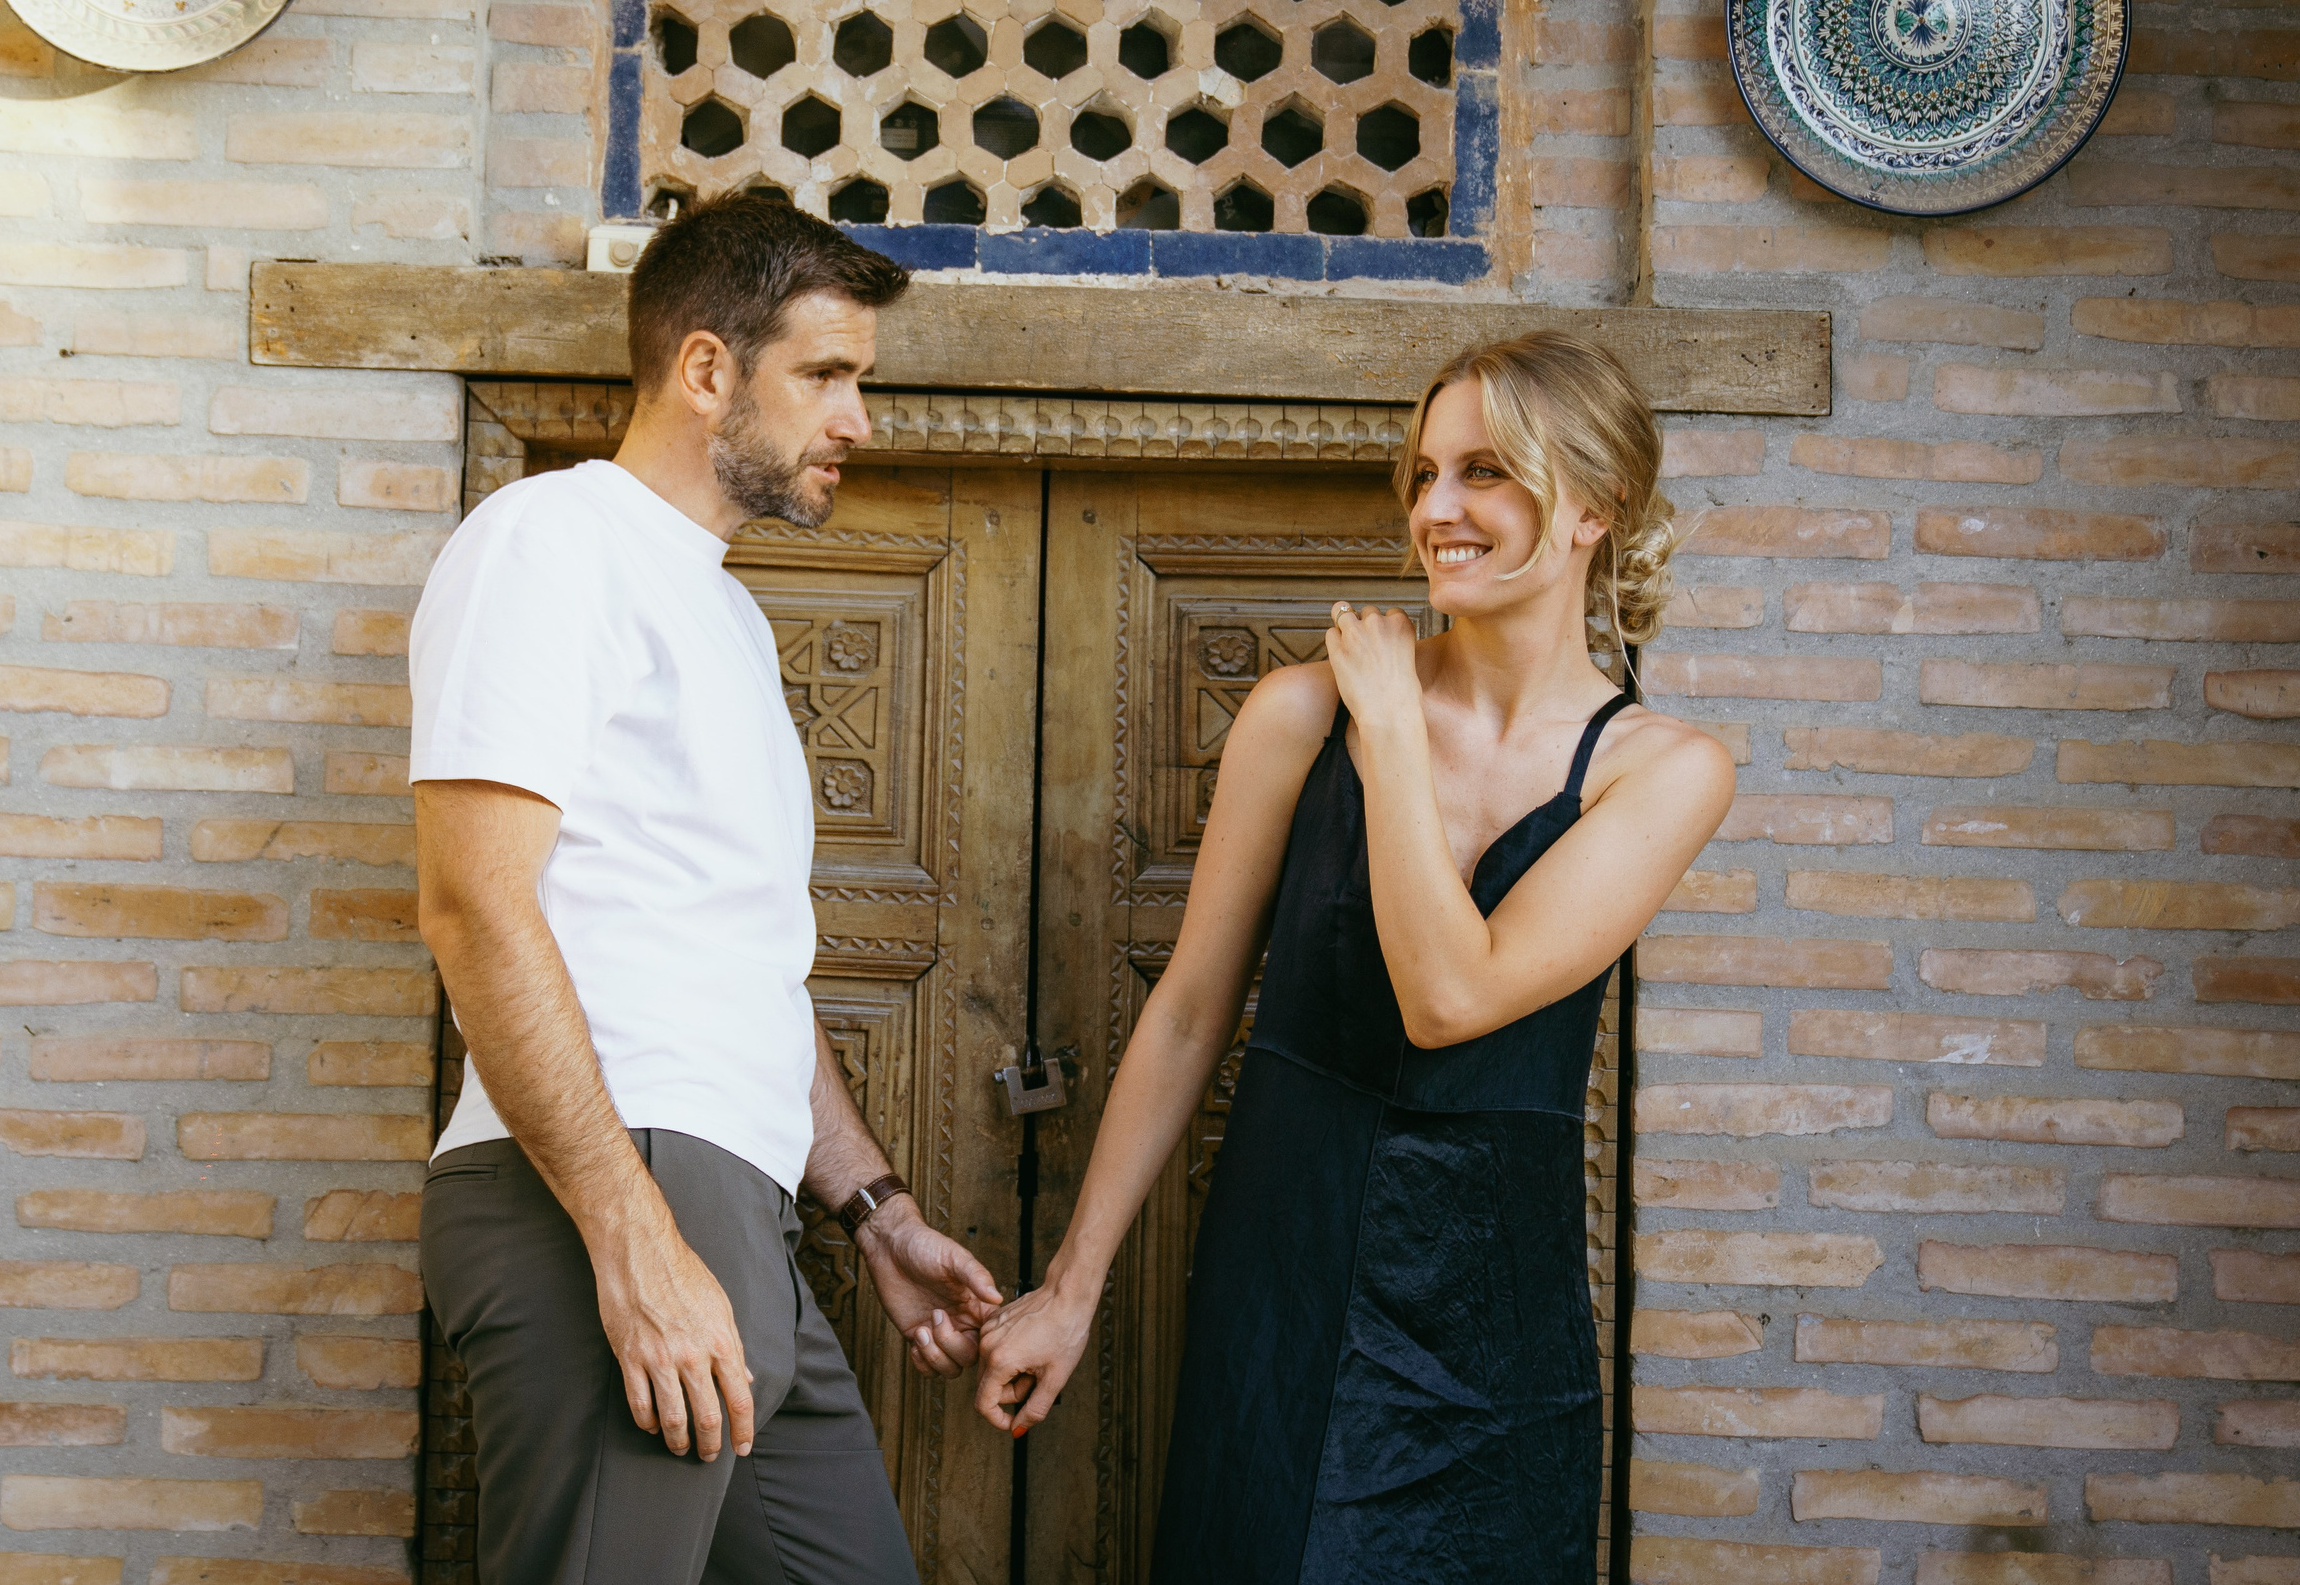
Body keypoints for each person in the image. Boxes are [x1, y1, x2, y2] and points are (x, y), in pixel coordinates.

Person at [972, 331, 1736, 1581]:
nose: (1436, 509)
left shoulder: (1665, 770)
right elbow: (1187, 1013)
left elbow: (1453, 996)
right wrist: (1069, 1285)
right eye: (1425, 473)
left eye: (1485, 472)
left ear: (1593, 504)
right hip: (1286, 1262)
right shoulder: (1294, 714)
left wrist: (1389, 724)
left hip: (1495, 1314)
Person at [412, 194, 1001, 1585]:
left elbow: (739, 968)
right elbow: (474, 906)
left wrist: (876, 1213)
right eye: (827, 375)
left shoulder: (725, 610)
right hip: (611, 1193)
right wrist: (634, 1239)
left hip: (732, 1207)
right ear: (704, 370)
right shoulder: (551, 543)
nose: (858, 418)